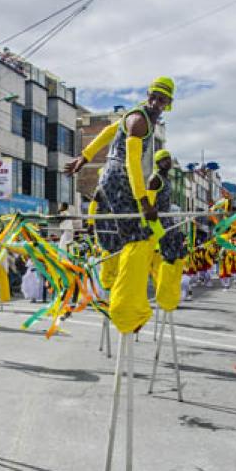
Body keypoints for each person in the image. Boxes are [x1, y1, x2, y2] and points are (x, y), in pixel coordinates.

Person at [65, 77, 174, 333]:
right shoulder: (138, 121)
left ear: (169, 103)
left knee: (134, 239)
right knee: (137, 239)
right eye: (154, 97)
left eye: (162, 99)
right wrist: (144, 201)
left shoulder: (135, 115)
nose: (157, 103)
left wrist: (86, 155)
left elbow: (108, 132)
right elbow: (133, 164)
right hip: (120, 178)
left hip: (115, 177)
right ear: (148, 95)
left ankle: (125, 301)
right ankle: (125, 309)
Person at [147, 148, 186, 312]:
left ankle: (171, 293)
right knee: (167, 257)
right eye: (165, 159)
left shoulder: (167, 179)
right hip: (158, 221)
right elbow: (148, 201)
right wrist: (152, 224)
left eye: (169, 159)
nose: (168, 162)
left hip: (168, 220)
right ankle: (163, 295)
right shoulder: (155, 179)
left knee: (179, 252)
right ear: (158, 163)